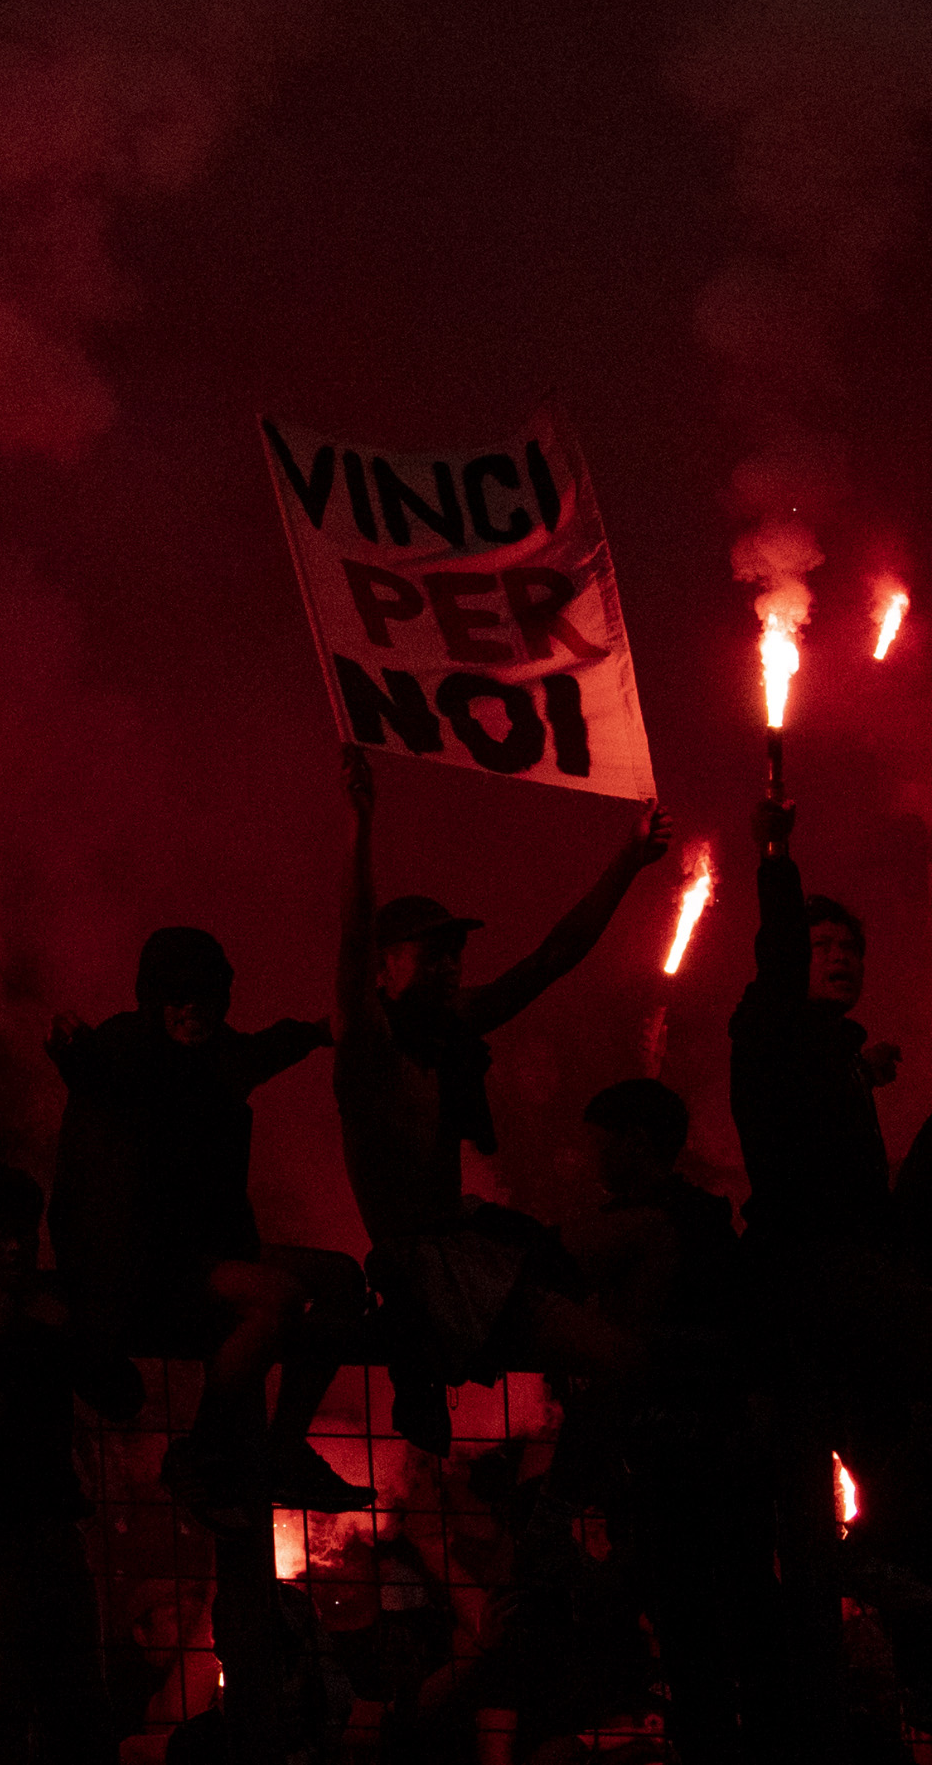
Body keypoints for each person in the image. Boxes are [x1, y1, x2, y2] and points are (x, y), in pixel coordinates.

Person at [330, 747, 662, 1440]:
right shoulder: (369, 1051)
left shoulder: (446, 1033)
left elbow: (549, 960)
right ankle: (574, 1494)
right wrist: (362, 823)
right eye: (432, 954)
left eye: (455, 953)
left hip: (470, 1244)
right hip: (436, 1270)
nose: (451, 968)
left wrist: (627, 862)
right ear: (386, 969)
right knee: (629, 1360)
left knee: (651, 1238)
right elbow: (354, 944)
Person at [724, 791, 932, 1731]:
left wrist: (862, 1072)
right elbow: (774, 964)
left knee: (876, 1446)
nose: (842, 959)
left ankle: (876, 1561)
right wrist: (776, 856)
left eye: (852, 948)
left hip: (847, 1276)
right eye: (824, 948)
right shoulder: (767, 1024)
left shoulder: (831, 1054)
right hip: (809, 1279)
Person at [45, 924, 367, 1523]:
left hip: (204, 1250)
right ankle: (200, 1453)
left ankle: (283, 1448)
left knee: (343, 1281)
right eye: (179, 998)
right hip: (142, 1262)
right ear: (154, 999)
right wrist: (74, 1055)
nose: (194, 1011)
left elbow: (262, 1050)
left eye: (207, 998)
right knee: (276, 1300)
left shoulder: (216, 1057)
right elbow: (99, 1081)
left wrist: (322, 1031)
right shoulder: (127, 1051)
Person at [563, 1077, 772, 1761]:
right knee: (741, 1627)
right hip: (719, 1459)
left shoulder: (651, 1225)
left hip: (672, 1459)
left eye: (603, 1142)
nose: (594, 1158)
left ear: (636, 1143)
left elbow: (628, 1336)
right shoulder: (707, 1225)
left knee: (691, 1635)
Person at [0, 1162, 137, 1765]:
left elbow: (123, 1395)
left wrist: (67, 1330)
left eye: (22, 1230)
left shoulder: (45, 1305)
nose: (14, 1245)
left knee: (75, 1707)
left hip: (47, 1530)